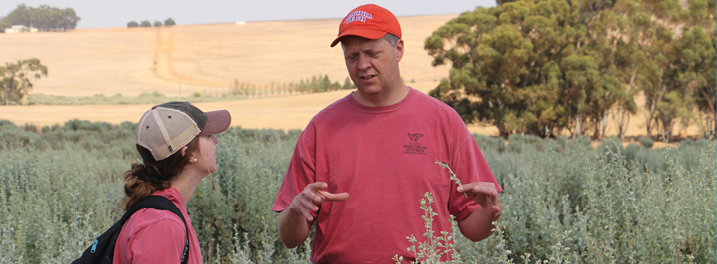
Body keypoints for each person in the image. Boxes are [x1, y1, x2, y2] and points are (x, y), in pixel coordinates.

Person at [272, 4, 503, 263]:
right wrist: (295, 209)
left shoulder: (443, 121)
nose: (362, 65)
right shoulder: (321, 128)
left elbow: (472, 227)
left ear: (399, 50)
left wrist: (489, 213)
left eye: (372, 53)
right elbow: (290, 238)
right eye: (351, 57)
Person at [115, 101, 231, 263]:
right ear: (187, 153)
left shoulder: (165, 213)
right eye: (208, 136)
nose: (216, 140)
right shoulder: (161, 225)